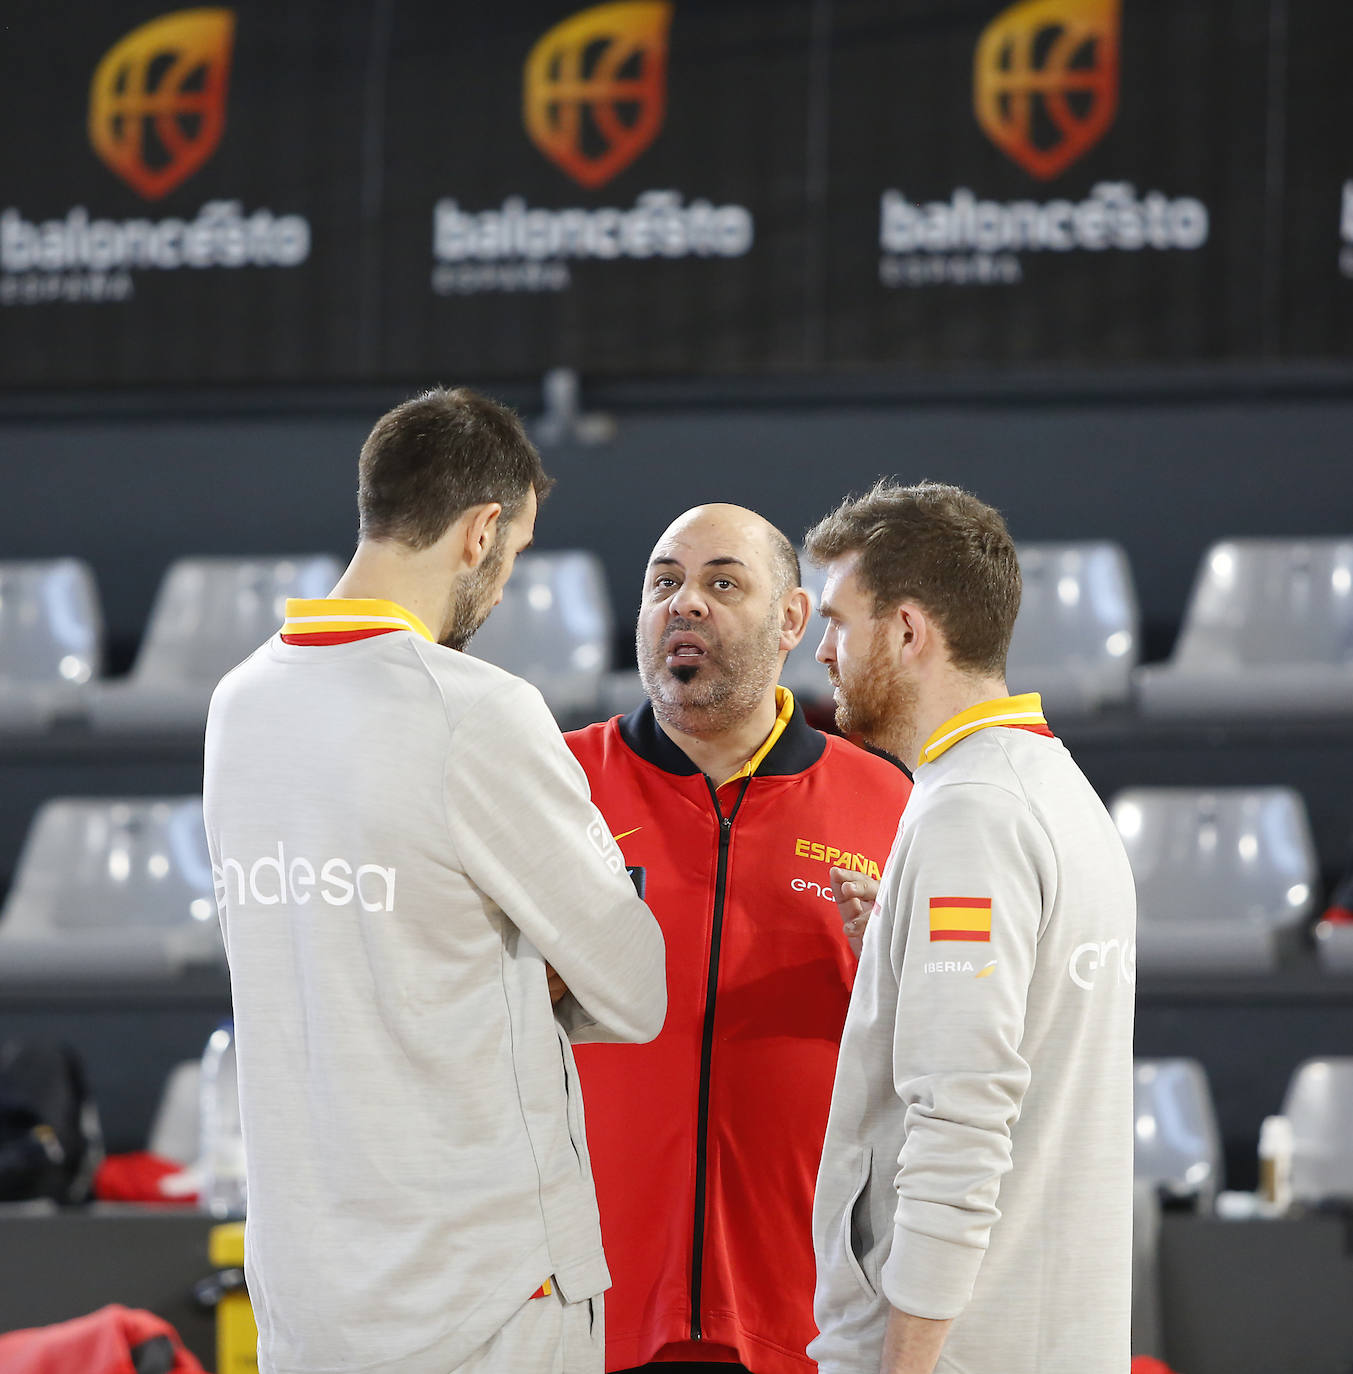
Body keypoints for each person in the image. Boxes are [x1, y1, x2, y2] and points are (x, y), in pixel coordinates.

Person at [202, 387, 666, 1374]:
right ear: (481, 530)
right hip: (483, 1291)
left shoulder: (238, 706)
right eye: (517, 553)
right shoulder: (478, 711)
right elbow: (635, 986)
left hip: (308, 1301)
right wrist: (527, 957)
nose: (502, 586)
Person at [565, 504, 912, 1374]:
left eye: (723, 583)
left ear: (793, 620)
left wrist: (899, 968)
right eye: (664, 583)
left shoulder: (889, 803)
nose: (685, 604)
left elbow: (946, 1045)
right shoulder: (556, 784)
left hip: (804, 1311)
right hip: (583, 1308)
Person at [805, 480, 1136, 1374]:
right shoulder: (1054, 788)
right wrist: (904, 944)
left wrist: (904, 1362)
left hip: (956, 1351)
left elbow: (958, 1122)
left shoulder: (971, 814)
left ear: (908, 631)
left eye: (837, 622)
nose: (823, 652)